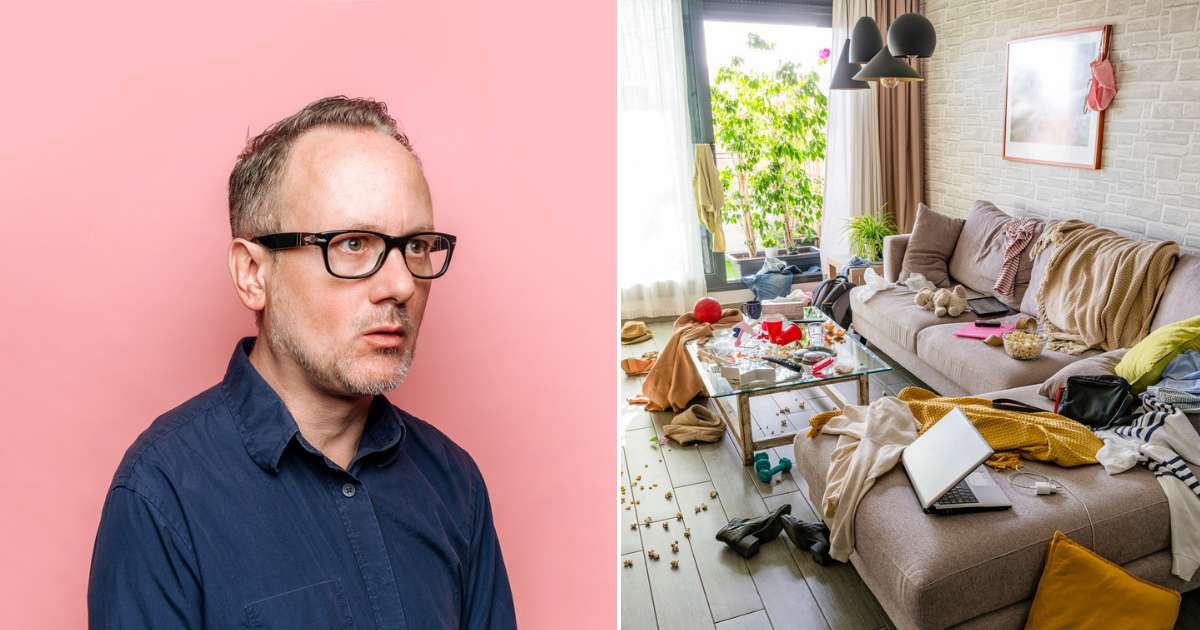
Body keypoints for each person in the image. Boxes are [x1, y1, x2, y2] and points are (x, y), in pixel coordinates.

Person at [87, 96, 516, 629]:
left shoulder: (454, 483)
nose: (403, 284)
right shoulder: (162, 493)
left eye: (418, 246)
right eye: (353, 243)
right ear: (252, 273)